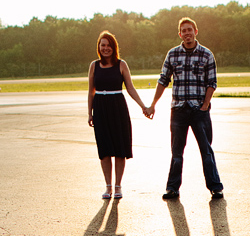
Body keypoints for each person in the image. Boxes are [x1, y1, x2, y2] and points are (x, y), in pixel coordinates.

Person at [149, 17, 224, 200]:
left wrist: (205, 106)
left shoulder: (206, 55)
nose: (187, 33)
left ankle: (215, 187)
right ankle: (172, 188)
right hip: (179, 111)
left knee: (206, 151)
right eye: (184, 31)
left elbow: (211, 82)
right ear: (180, 34)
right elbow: (163, 81)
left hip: (199, 111)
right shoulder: (173, 54)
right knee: (176, 152)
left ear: (195, 31)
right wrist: (152, 105)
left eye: (190, 30)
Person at [88, 31, 151, 200]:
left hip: (118, 107)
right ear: (99, 48)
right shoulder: (94, 65)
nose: (106, 48)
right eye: (103, 45)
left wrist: (143, 106)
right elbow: (91, 91)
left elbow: (130, 88)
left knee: (119, 148)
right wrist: (89, 113)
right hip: (100, 108)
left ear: (113, 47)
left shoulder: (121, 64)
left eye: (108, 45)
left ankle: (118, 186)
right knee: (104, 149)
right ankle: (108, 186)